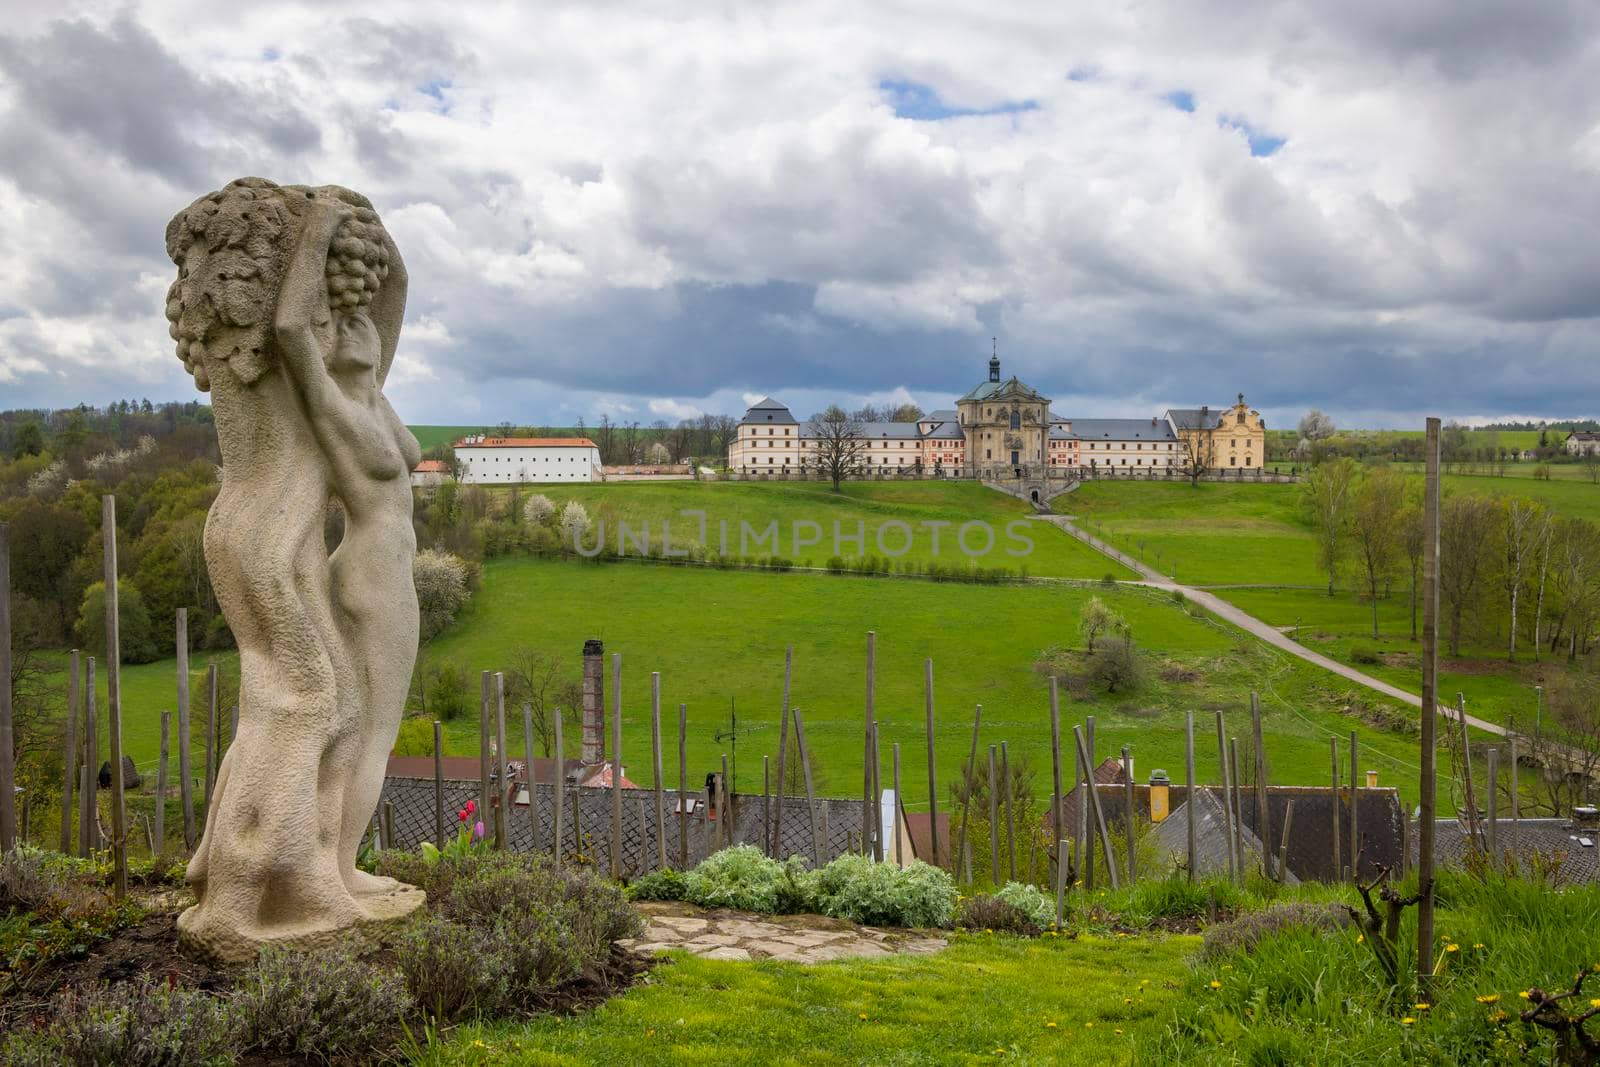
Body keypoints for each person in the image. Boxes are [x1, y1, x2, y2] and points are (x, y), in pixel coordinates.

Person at [274, 195, 421, 903]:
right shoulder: (332, 404)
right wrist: (317, 235)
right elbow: (290, 326)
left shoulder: (369, 399)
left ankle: (330, 857)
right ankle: (336, 867)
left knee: (357, 721)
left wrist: (377, 240)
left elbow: (390, 301)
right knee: (373, 731)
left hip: (380, 568)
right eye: (353, 324)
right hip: (373, 572)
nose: (369, 327)